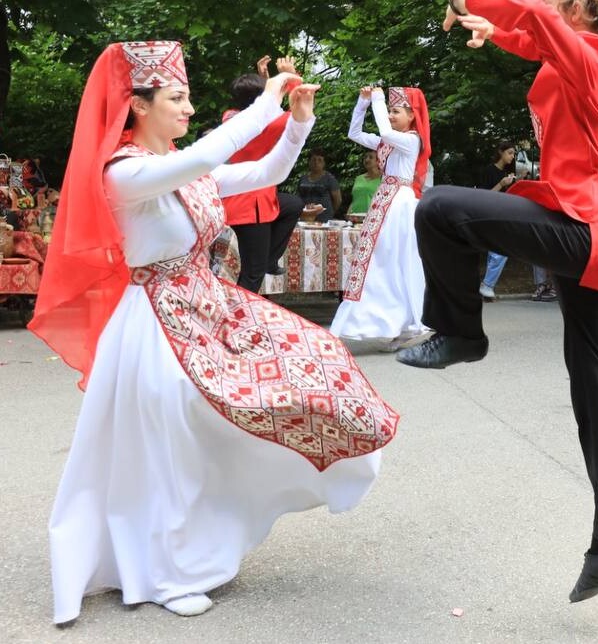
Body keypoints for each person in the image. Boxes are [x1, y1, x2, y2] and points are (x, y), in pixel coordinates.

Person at [29, 41, 397, 623]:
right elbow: (203, 160)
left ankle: (198, 544)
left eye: (187, 97)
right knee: (172, 438)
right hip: (153, 320)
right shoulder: (124, 173)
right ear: (138, 106)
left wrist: (296, 124)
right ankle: (163, 572)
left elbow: (263, 172)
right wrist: (266, 102)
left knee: (315, 358)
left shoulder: (180, 166)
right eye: (176, 97)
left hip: (206, 307)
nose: (187, 107)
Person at [397, 0, 598, 603]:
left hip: (583, 227)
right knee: (594, 385)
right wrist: (490, 27)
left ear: (580, 4)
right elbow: (532, 35)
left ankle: (460, 332)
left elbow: (533, 20)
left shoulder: (589, 51)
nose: (541, 0)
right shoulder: (579, 55)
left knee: (439, 207)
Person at [329, 84, 431, 344]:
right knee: (379, 264)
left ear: (411, 116)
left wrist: (377, 98)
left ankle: (404, 321)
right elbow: (354, 133)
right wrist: (363, 102)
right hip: (385, 201)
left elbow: (384, 131)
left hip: (399, 204)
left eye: (396, 111)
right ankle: (388, 322)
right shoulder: (388, 143)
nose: (390, 115)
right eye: (390, 110)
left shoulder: (410, 140)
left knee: (394, 262)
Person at [221, 55, 304, 293]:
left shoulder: (230, 117)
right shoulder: (270, 126)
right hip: (252, 206)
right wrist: (292, 77)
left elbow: (265, 108)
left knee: (292, 204)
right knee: (252, 273)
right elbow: (301, 110)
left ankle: (270, 258)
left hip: (235, 198)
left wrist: (267, 81)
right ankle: (239, 320)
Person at [477, 142, 520, 300]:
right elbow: (484, 196)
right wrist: (501, 184)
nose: (512, 156)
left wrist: (517, 182)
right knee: (500, 251)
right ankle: (487, 286)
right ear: (500, 152)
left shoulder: (509, 173)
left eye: (513, 153)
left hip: (503, 215)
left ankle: (487, 287)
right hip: (489, 214)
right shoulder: (489, 171)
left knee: (495, 252)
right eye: (509, 153)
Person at [297, 148, 341, 222]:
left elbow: (338, 200)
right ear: (309, 162)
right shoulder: (303, 178)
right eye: (313, 160)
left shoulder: (330, 179)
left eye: (319, 160)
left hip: (324, 218)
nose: (316, 162)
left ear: (324, 163)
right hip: (304, 217)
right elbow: (299, 197)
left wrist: (330, 212)